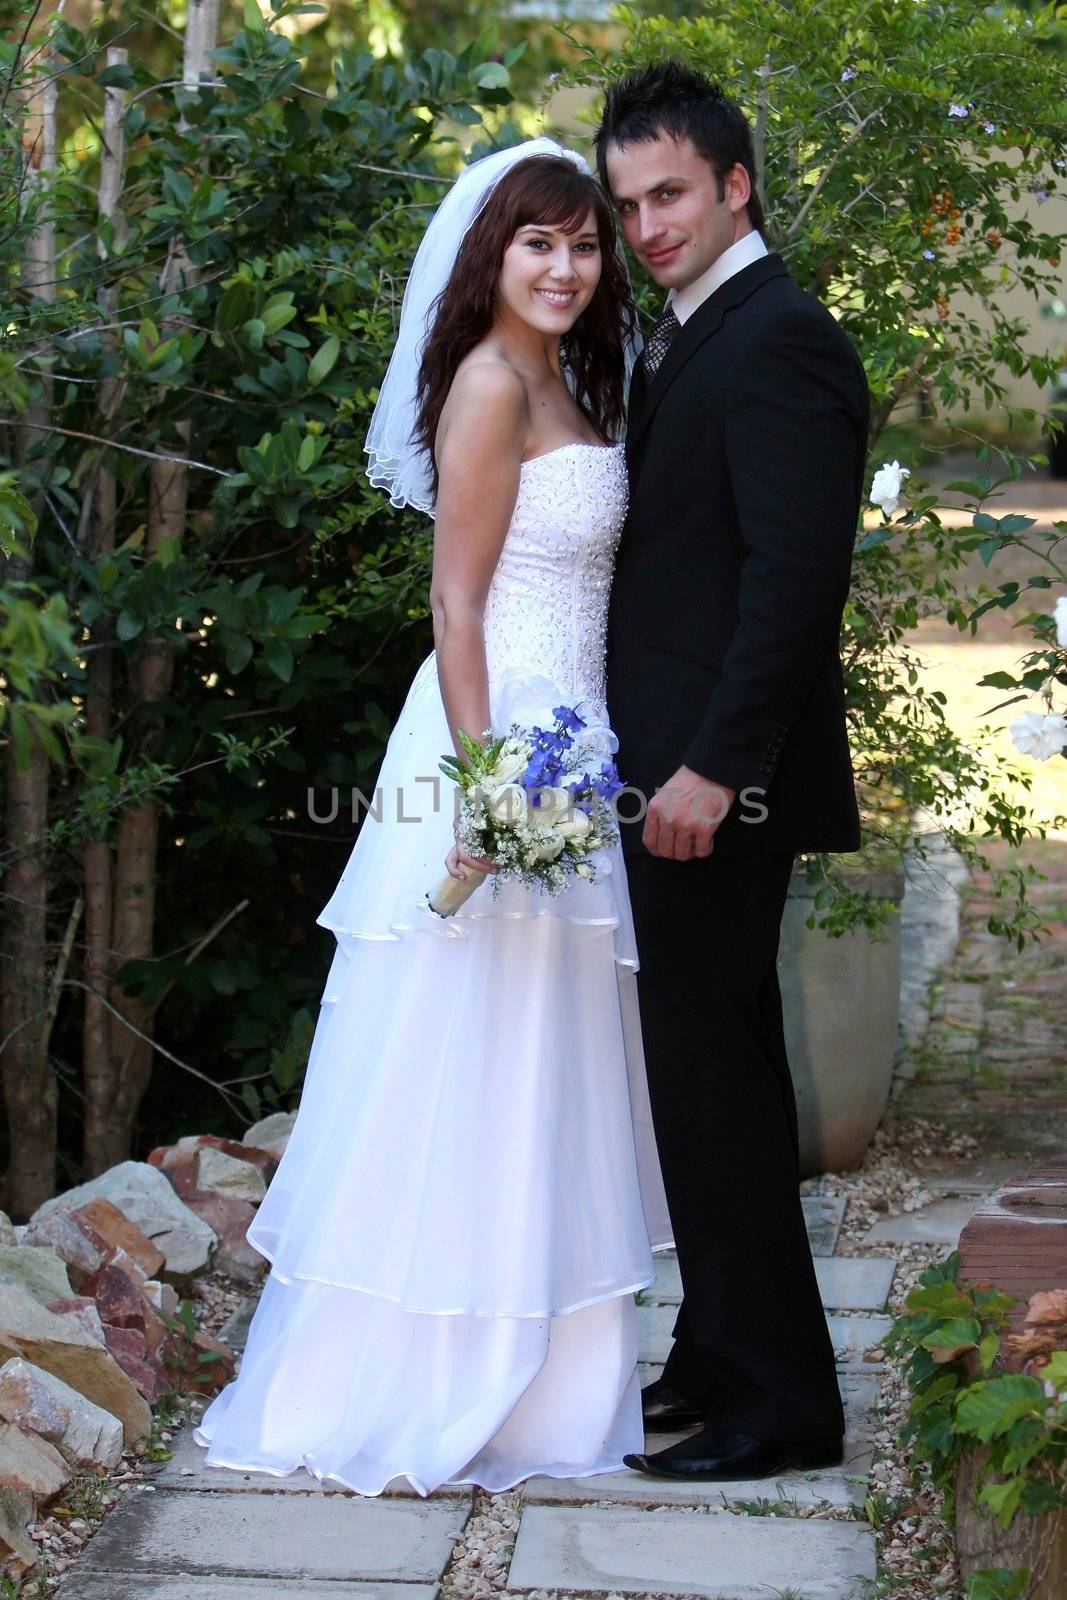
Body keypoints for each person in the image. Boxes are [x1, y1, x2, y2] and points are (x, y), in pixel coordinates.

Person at [192, 138, 672, 1497]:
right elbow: (455, 604)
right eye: (541, 244)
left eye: (586, 244)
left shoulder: (572, 375)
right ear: (493, 255)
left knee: (549, 1059)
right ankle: (428, 1382)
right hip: (497, 744)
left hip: (573, 741)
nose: (568, 267)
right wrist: (487, 789)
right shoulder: (486, 383)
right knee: (470, 1055)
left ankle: (551, 1389)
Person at [595, 62, 871, 1481]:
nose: (646, 224)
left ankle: (783, 1407)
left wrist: (715, 767)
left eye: (672, 195)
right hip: (665, 776)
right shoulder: (695, 328)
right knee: (713, 1083)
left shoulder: (782, 340)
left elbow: (793, 582)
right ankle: (721, 1355)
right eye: (628, 199)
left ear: (736, 185)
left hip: (713, 786)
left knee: (715, 1087)